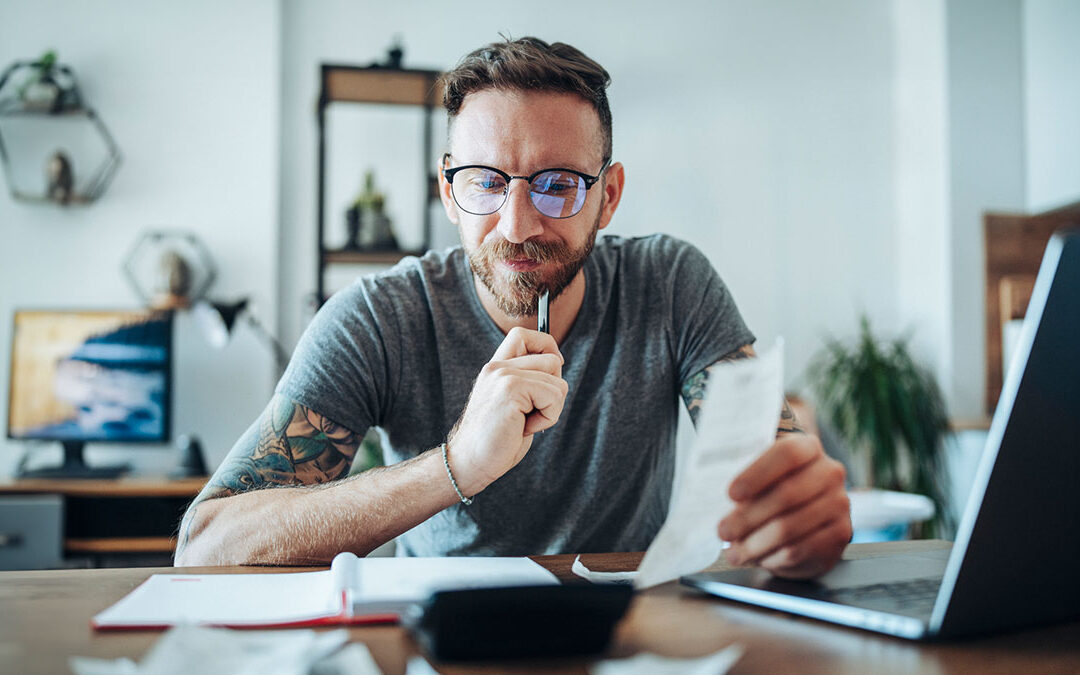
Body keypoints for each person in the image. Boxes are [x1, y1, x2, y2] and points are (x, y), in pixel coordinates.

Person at [176, 37, 851, 579]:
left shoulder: (671, 285)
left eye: (559, 185)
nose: (518, 223)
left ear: (608, 197)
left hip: (628, 640)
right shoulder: (379, 319)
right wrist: (457, 462)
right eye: (485, 183)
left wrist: (801, 516)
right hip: (443, 647)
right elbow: (206, 544)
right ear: (447, 190)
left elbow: (771, 469)